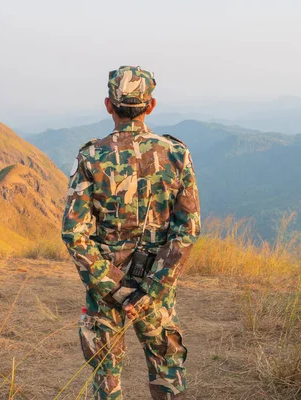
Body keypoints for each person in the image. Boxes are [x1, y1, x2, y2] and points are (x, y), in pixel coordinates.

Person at [61, 66, 201, 400]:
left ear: (108, 105)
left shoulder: (91, 156)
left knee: (106, 378)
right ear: (151, 105)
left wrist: (116, 288)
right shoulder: (176, 155)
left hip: (105, 292)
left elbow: (74, 233)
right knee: (167, 371)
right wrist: (150, 290)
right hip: (156, 292)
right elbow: (187, 230)